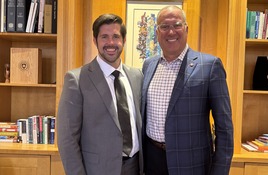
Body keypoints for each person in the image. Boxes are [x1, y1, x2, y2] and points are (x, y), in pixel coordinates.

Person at [141, 6, 234, 175]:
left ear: (186, 29)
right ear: (157, 31)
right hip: (152, 161)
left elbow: (224, 128)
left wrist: (220, 171)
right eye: (164, 26)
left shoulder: (210, 66)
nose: (171, 32)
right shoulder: (148, 65)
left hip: (192, 164)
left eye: (176, 25)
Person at [57, 14, 143, 175]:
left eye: (116, 36)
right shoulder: (76, 79)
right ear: (95, 40)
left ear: (124, 40)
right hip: (97, 170)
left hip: (135, 168)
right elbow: (67, 139)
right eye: (104, 37)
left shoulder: (137, 76)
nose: (111, 43)